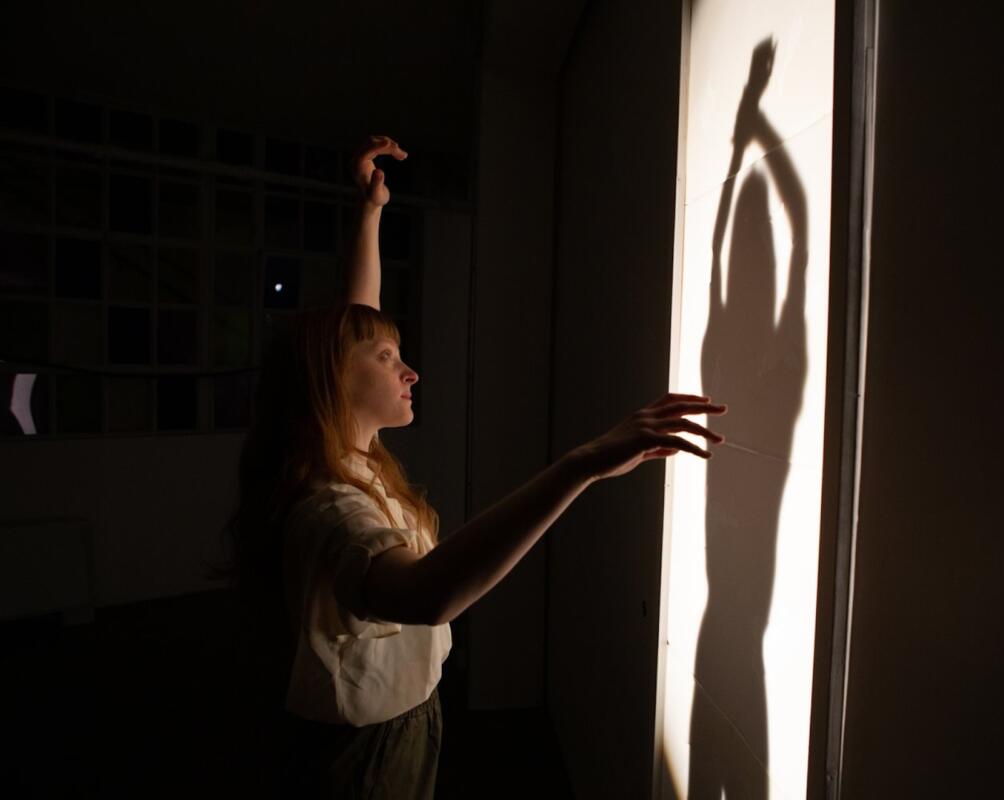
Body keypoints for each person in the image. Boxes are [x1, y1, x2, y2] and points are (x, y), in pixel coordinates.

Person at [219, 135, 729, 799]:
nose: (410, 371)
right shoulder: (333, 509)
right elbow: (430, 594)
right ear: (330, 381)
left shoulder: (347, 458)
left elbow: (354, 328)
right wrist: (581, 465)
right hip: (361, 753)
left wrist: (370, 212)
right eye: (387, 359)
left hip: (404, 720)